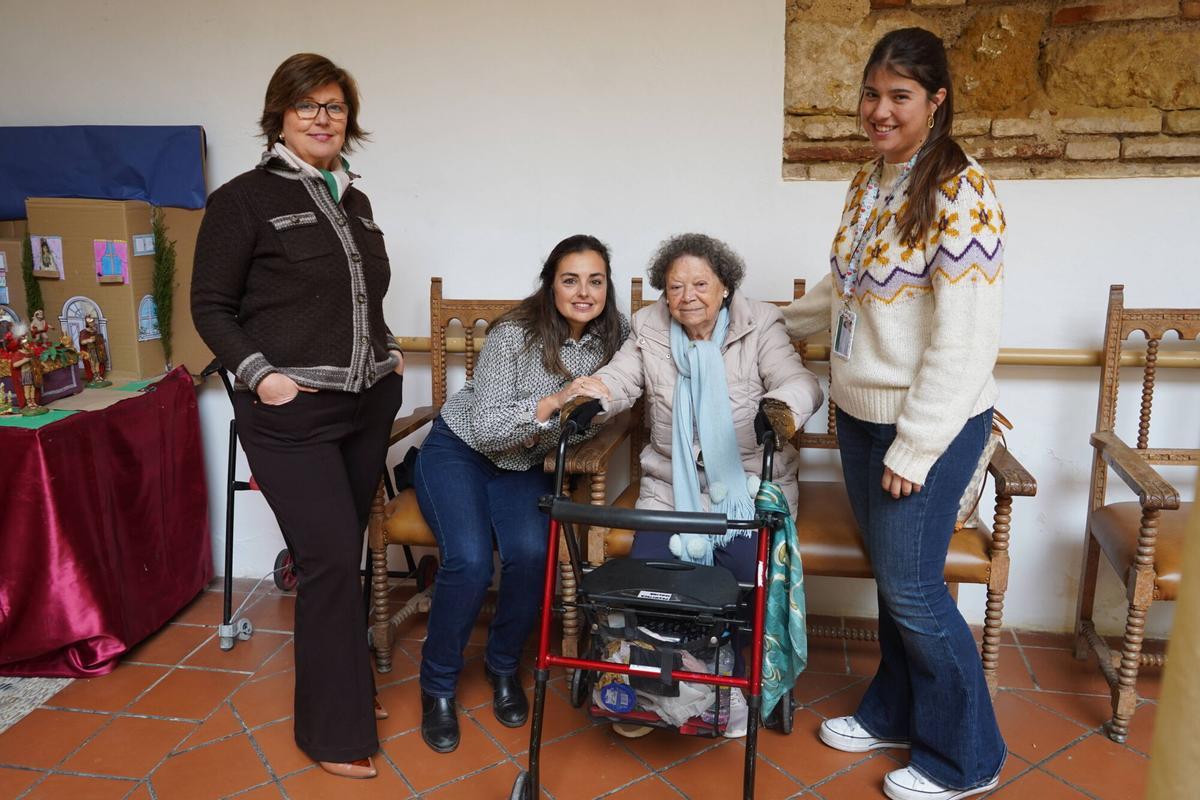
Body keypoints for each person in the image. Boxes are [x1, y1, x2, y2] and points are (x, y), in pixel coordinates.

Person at [781, 28, 1006, 800]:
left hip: (929, 426)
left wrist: (916, 446)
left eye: (899, 96)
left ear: (936, 101)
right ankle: (893, 712)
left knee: (913, 588)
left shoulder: (961, 193)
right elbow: (842, 291)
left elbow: (965, 341)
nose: (880, 110)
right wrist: (768, 322)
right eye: (872, 94)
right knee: (893, 581)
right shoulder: (868, 181)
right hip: (860, 414)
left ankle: (967, 758)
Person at [191, 53, 405, 781]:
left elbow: (361, 299)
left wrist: (389, 357)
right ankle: (330, 731)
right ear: (278, 116)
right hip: (293, 413)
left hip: (366, 403)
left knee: (343, 554)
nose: (323, 118)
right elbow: (210, 307)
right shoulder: (242, 200)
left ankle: (346, 687)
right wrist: (263, 378)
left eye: (335, 106)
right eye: (307, 105)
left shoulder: (355, 200)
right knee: (327, 560)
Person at [575, 232, 823, 737]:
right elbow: (621, 377)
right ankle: (662, 683)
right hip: (671, 487)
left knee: (742, 575)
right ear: (664, 293)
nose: (687, 296)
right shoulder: (648, 327)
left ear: (725, 286)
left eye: (700, 284)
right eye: (675, 286)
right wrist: (593, 396)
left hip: (746, 487)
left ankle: (736, 683)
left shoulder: (760, 323)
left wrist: (781, 408)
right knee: (653, 580)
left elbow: (800, 382)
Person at [413, 234, 628, 754]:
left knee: (533, 554)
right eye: (570, 280)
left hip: (525, 465)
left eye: (595, 281)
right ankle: (437, 685)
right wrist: (554, 402)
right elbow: (488, 429)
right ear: (550, 284)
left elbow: (634, 372)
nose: (584, 292)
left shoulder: (614, 338)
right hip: (461, 452)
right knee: (469, 562)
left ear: (607, 287)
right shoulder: (514, 333)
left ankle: (503, 665)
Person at [78, 314, 110, 387]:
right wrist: (89, 340)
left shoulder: (95, 330)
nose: (92, 323)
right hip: (89, 350)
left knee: (98, 363)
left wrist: (100, 340)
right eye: (91, 322)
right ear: (87, 323)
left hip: (96, 350)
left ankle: (99, 376)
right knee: (92, 363)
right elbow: (82, 342)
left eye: (93, 322)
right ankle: (94, 377)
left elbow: (97, 339)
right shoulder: (84, 332)